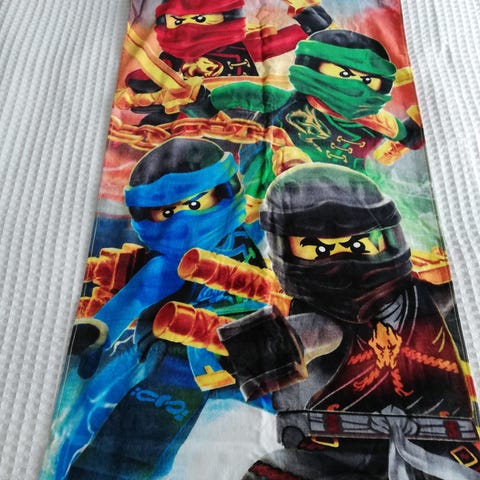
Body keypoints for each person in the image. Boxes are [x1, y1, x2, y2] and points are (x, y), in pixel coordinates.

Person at [217, 163, 479, 479]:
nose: (343, 260)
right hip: (340, 452)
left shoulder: (424, 298)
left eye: (358, 245)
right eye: (319, 249)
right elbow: (247, 354)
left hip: (449, 448)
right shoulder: (321, 323)